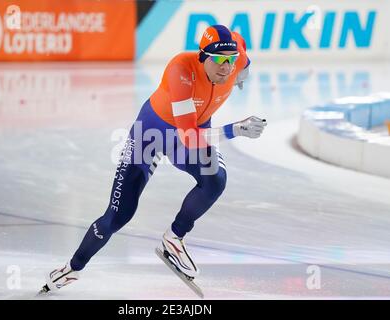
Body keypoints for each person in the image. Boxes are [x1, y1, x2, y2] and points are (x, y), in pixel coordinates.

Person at [40, 25, 266, 293]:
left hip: (193, 130)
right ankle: (72, 268)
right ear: (202, 57)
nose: (227, 67)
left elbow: (243, 62)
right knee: (118, 215)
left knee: (215, 179)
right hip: (153, 133)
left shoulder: (236, 57)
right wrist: (236, 129)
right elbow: (190, 137)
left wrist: (242, 73)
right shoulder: (180, 70)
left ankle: (174, 238)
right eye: (218, 60)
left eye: (231, 59)